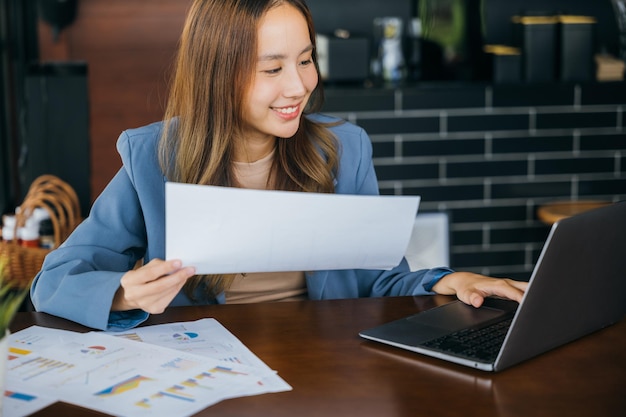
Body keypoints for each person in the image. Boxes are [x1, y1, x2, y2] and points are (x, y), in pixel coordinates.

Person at [30, 0, 527, 331]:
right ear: (217, 74)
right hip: (204, 369)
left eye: (306, 60)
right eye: (272, 69)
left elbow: (378, 281)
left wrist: (447, 281)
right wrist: (122, 292)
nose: (298, 86)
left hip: (323, 364)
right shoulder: (152, 157)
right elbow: (53, 282)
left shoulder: (345, 149)